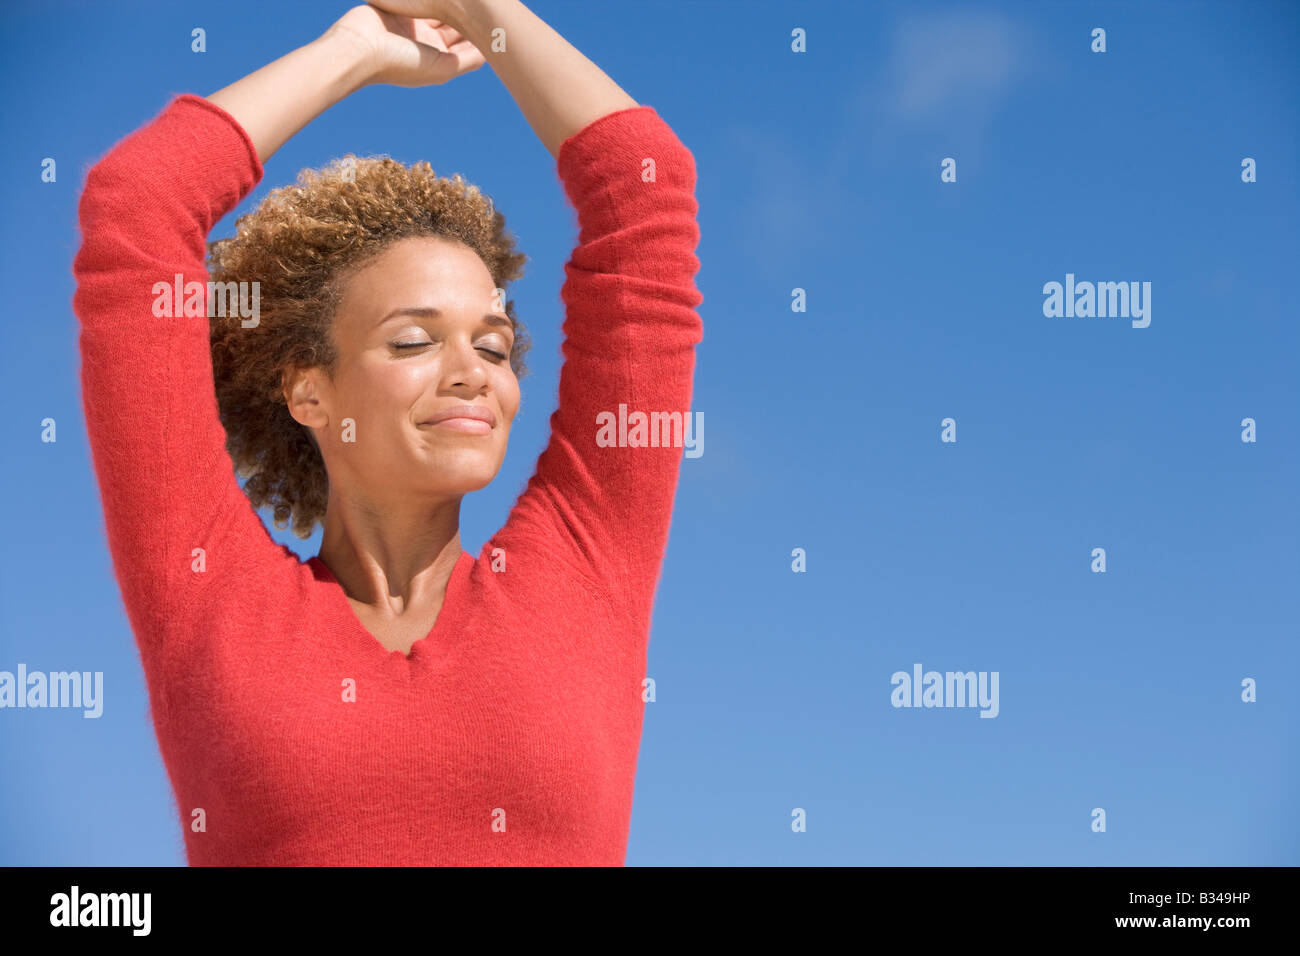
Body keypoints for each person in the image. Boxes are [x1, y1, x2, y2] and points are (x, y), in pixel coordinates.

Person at [73, 0, 703, 866]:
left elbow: (647, 187)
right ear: (309, 393)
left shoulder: (588, 566)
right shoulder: (208, 593)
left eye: (493, 342)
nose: (473, 370)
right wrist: (354, 50)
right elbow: (138, 202)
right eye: (413, 340)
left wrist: (485, 11)